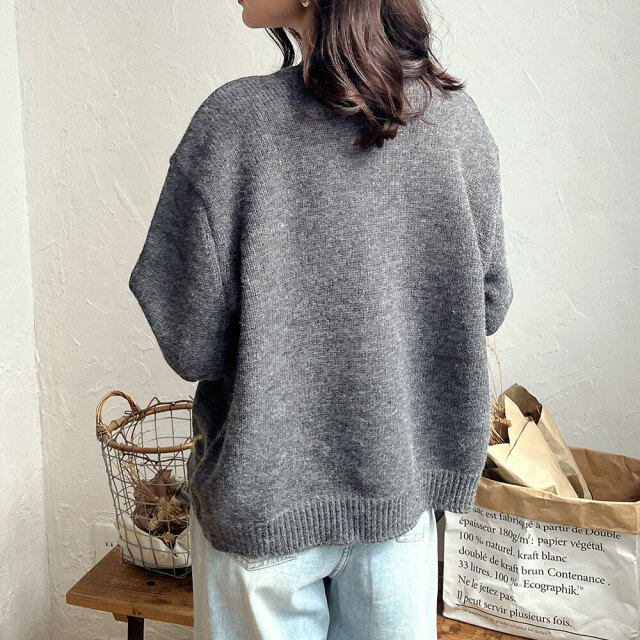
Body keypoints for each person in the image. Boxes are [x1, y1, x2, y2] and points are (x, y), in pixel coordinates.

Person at [128, 0, 514, 637]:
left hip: (262, 503)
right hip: (399, 501)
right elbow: (486, 306)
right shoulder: (454, 120)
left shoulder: (235, 124)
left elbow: (191, 342)